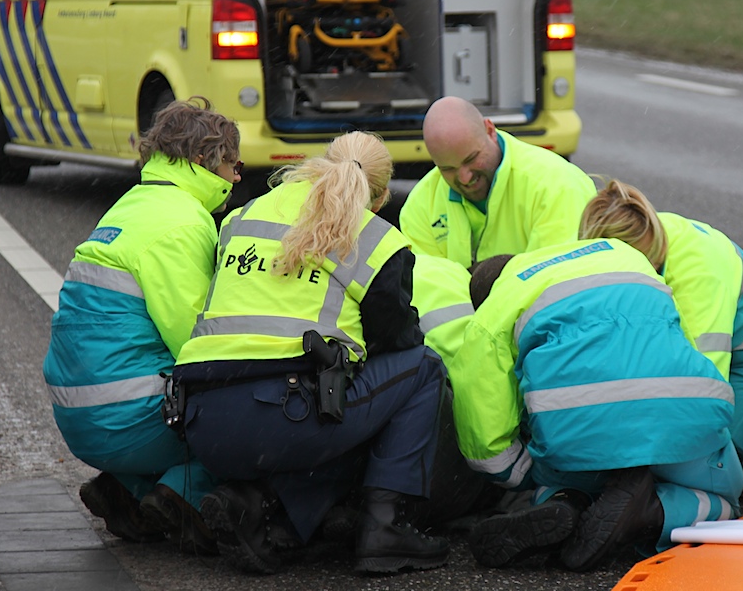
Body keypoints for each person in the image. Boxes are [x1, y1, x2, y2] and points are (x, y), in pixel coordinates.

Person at [173, 131, 449, 576]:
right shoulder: (374, 236)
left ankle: (262, 508)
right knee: (421, 371)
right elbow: (398, 341)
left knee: (333, 401)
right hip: (283, 418)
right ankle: (386, 528)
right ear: (377, 198)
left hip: (202, 421)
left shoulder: (243, 215)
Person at [450, 241, 742, 571]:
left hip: (578, 428)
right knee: (726, 500)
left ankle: (564, 501)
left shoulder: (496, 308)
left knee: (561, 472)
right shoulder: (624, 253)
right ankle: (652, 512)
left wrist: (521, 475)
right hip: (681, 407)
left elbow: (483, 434)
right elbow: (679, 339)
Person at [42, 97, 241, 553]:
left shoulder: (130, 206)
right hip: (128, 421)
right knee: (246, 406)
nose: (235, 178)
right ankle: (181, 491)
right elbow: (196, 341)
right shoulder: (184, 222)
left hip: (78, 418)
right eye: (234, 165)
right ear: (202, 161)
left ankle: (127, 490)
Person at [578, 180, 743, 473]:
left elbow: (704, 388)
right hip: (681, 353)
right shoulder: (620, 242)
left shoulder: (699, 273)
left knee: (706, 465)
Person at [399, 96, 596, 268]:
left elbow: (556, 282)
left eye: (471, 159)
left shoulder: (557, 185)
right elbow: (428, 291)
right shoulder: (420, 206)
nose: (465, 178)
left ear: (490, 130)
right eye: (447, 169)